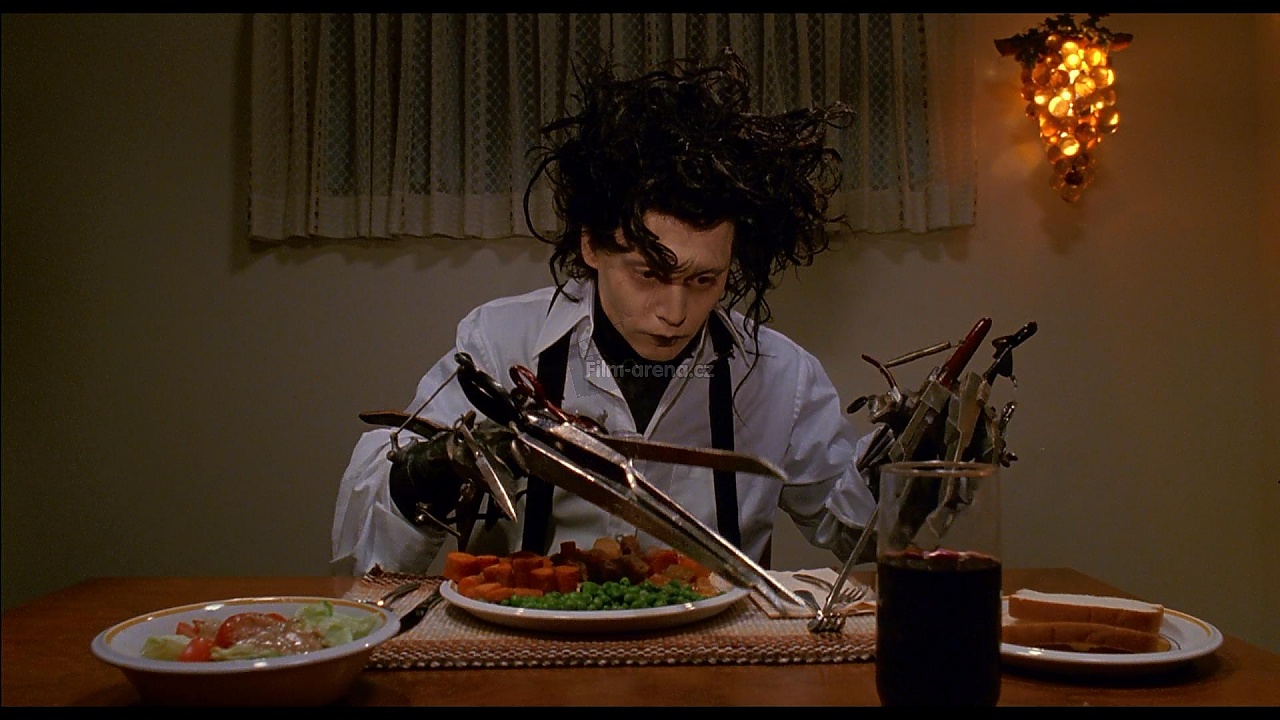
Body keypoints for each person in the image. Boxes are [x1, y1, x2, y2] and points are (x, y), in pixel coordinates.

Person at [331, 48, 878, 577]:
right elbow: (372, 548)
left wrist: (905, 469)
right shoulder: (499, 344)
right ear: (591, 245)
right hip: (528, 637)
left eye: (703, 280)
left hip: (719, 640)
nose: (674, 313)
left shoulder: (782, 376)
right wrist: (425, 472)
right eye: (649, 274)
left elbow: (857, 532)